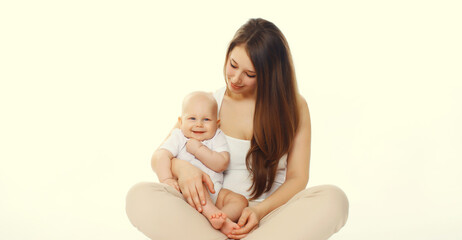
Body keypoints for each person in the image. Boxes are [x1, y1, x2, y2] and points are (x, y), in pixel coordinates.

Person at [126, 18, 349, 240]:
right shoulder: (208, 105)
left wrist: (257, 211)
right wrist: (182, 169)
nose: (235, 78)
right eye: (233, 65)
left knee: (333, 199)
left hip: (270, 219)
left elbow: (298, 179)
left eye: (250, 74)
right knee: (140, 196)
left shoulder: (295, 107)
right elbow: (162, 155)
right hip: (209, 218)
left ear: (270, 75)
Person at [154, 91, 248, 235]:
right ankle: (213, 217)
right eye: (192, 118)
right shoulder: (178, 137)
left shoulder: (216, 136)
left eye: (206, 120)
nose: (199, 124)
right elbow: (161, 155)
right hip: (188, 192)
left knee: (240, 201)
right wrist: (166, 178)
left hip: (215, 192)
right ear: (181, 122)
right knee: (198, 180)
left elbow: (221, 163)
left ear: (217, 123)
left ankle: (219, 218)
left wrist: (199, 149)